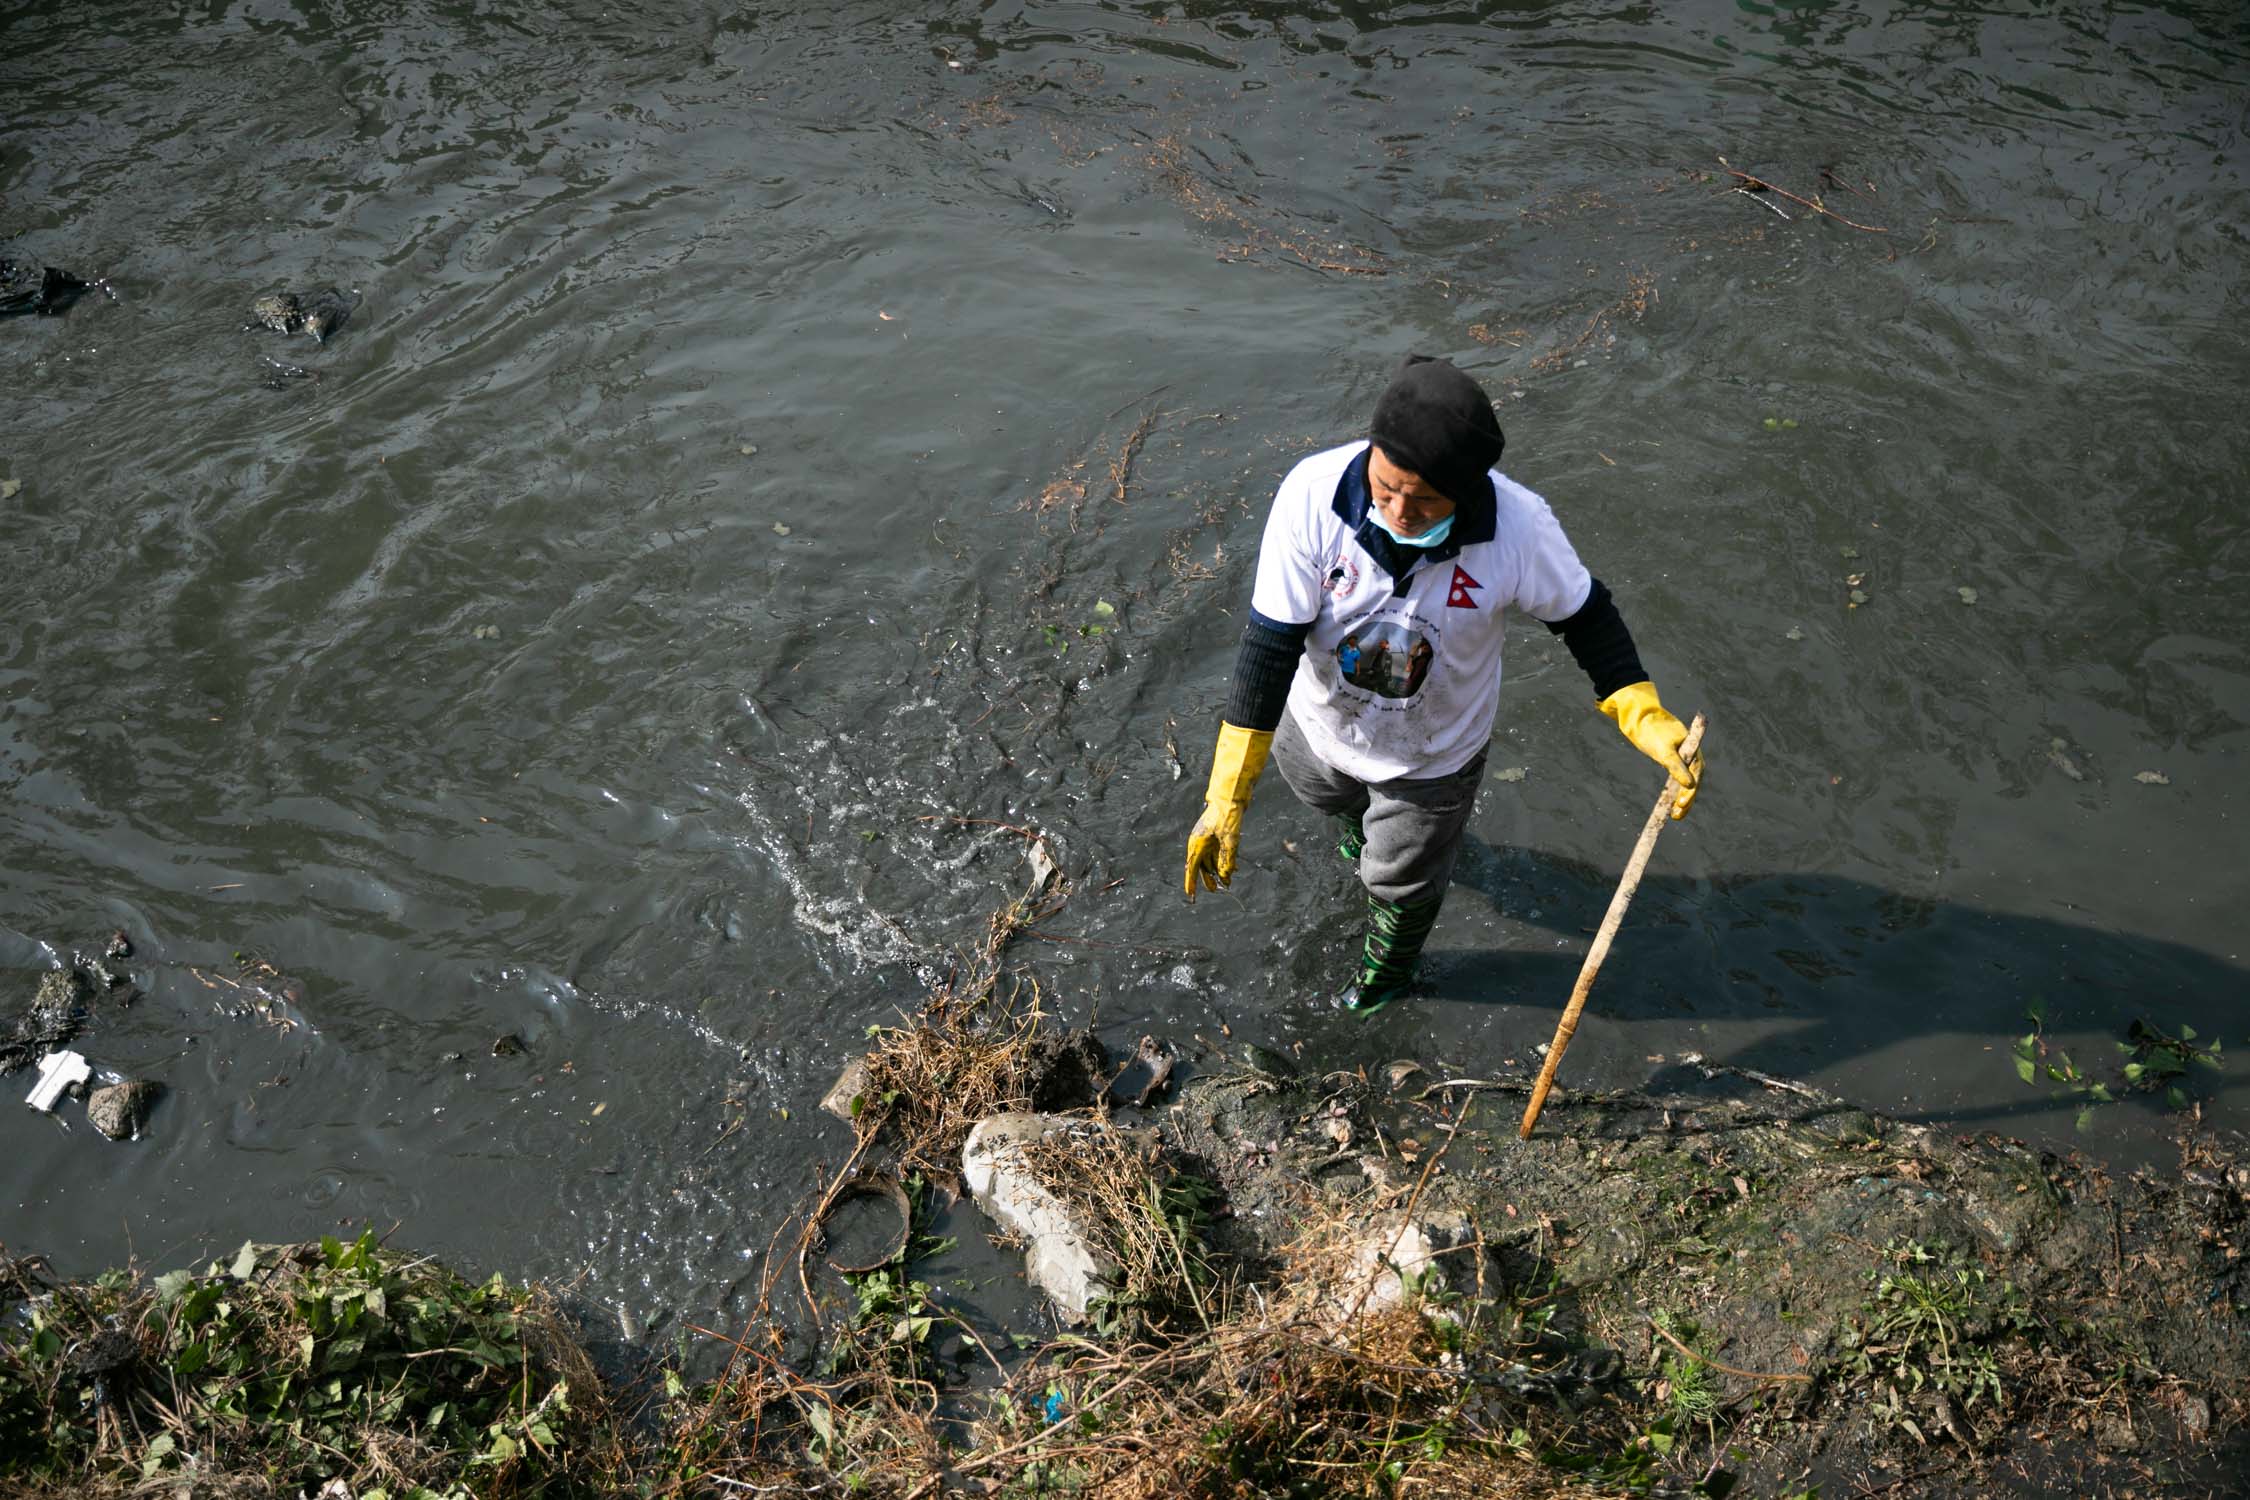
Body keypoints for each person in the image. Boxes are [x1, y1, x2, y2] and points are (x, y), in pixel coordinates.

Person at [1182, 355, 1702, 1014]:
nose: (1398, 510)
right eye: (1385, 487)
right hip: (1315, 724)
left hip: (1431, 756)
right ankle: (1360, 831)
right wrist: (1227, 795)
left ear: (1467, 490)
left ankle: (1391, 968)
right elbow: (1268, 644)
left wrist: (1643, 714)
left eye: (1423, 500)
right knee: (1327, 798)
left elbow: (1588, 619)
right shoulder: (1311, 495)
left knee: (1400, 882)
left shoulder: (1519, 528)